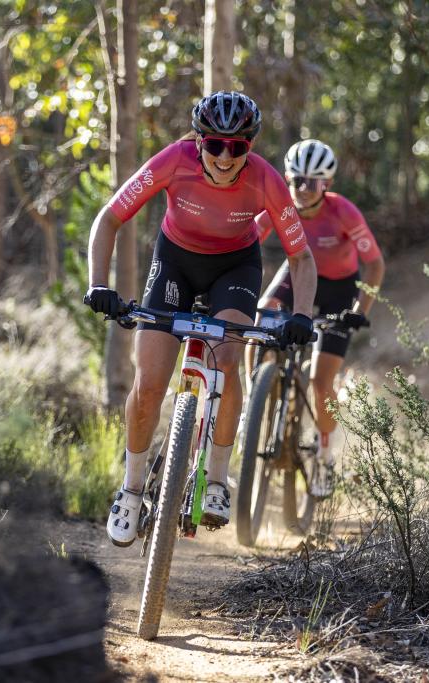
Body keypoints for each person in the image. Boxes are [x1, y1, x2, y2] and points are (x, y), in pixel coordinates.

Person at [84, 91, 318, 547]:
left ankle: (215, 480)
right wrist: (98, 284)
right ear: (198, 141)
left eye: (238, 147)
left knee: (228, 361)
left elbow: (302, 257)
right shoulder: (174, 160)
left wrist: (302, 316)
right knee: (150, 381)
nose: (226, 156)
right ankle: (131, 490)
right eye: (215, 145)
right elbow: (109, 219)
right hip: (175, 263)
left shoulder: (266, 180)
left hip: (235, 268)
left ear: (249, 147)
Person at [254, 138, 386, 497]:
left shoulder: (343, 213)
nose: (302, 188)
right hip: (295, 275)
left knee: (319, 380)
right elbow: (248, 241)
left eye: (312, 182)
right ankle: (257, 402)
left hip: (338, 290)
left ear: (326, 185)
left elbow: (374, 264)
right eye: (296, 179)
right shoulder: (280, 205)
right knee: (261, 316)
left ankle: (325, 455)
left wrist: (360, 311)